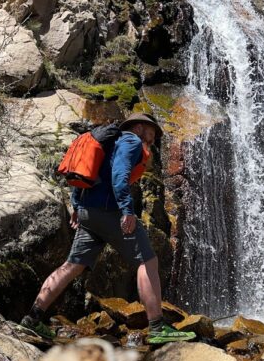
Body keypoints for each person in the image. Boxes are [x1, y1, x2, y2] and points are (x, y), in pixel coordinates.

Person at [20, 113, 196, 344]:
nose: (154, 139)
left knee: (72, 266)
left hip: (88, 213)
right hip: (109, 212)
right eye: (152, 132)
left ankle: (32, 319)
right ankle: (157, 327)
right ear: (140, 127)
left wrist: (77, 205)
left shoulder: (107, 144)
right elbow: (119, 176)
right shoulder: (131, 141)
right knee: (147, 261)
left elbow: (83, 174)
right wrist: (126, 210)